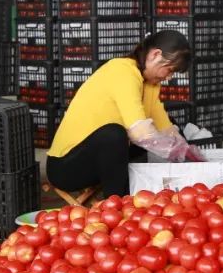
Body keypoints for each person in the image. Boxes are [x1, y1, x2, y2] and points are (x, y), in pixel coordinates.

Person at [47, 30, 206, 198]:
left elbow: (166, 129)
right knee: (114, 134)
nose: (168, 77)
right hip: (66, 166)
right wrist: (173, 150)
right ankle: (118, 204)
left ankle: (156, 189)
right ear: (155, 55)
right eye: (169, 69)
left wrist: (189, 155)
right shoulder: (122, 71)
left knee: (166, 128)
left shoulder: (151, 85)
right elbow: (140, 133)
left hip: (100, 157)